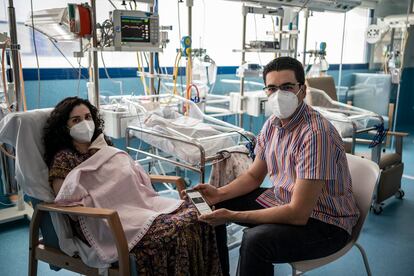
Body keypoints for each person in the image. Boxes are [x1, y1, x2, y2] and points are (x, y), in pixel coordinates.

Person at [188, 57, 360, 276]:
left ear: (303, 89)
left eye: (287, 87)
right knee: (213, 205)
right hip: (284, 200)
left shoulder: (316, 134)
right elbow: (253, 177)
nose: (279, 95)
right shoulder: (272, 124)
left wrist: (232, 215)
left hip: (326, 223)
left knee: (255, 242)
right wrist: (219, 194)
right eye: (272, 88)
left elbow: (298, 214)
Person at [43, 96, 221, 276]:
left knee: (201, 212)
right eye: (76, 120)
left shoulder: (103, 147)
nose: (85, 123)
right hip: (104, 220)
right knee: (175, 228)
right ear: (64, 127)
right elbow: (67, 202)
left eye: (88, 117)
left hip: (137, 206)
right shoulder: (63, 159)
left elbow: (124, 175)